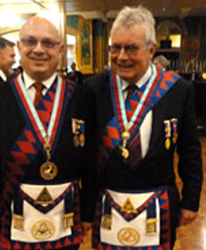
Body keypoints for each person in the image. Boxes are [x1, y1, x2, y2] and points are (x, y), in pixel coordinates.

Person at [85, 6, 202, 249]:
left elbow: (190, 150)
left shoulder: (178, 90)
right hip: (107, 202)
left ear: (151, 50)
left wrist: (190, 200)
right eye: (115, 48)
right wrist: (85, 206)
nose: (122, 56)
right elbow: (85, 155)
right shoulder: (93, 89)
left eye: (131, 48)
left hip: (159, 202)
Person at [0, 16, 95, 250]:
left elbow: (90, 164)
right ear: (19, 48)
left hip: (66, 219)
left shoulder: (82, 97)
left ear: (59, 50)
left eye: (47, 43)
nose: (39, 49)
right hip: (13, 219)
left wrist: (88, 214)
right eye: (30, 41)